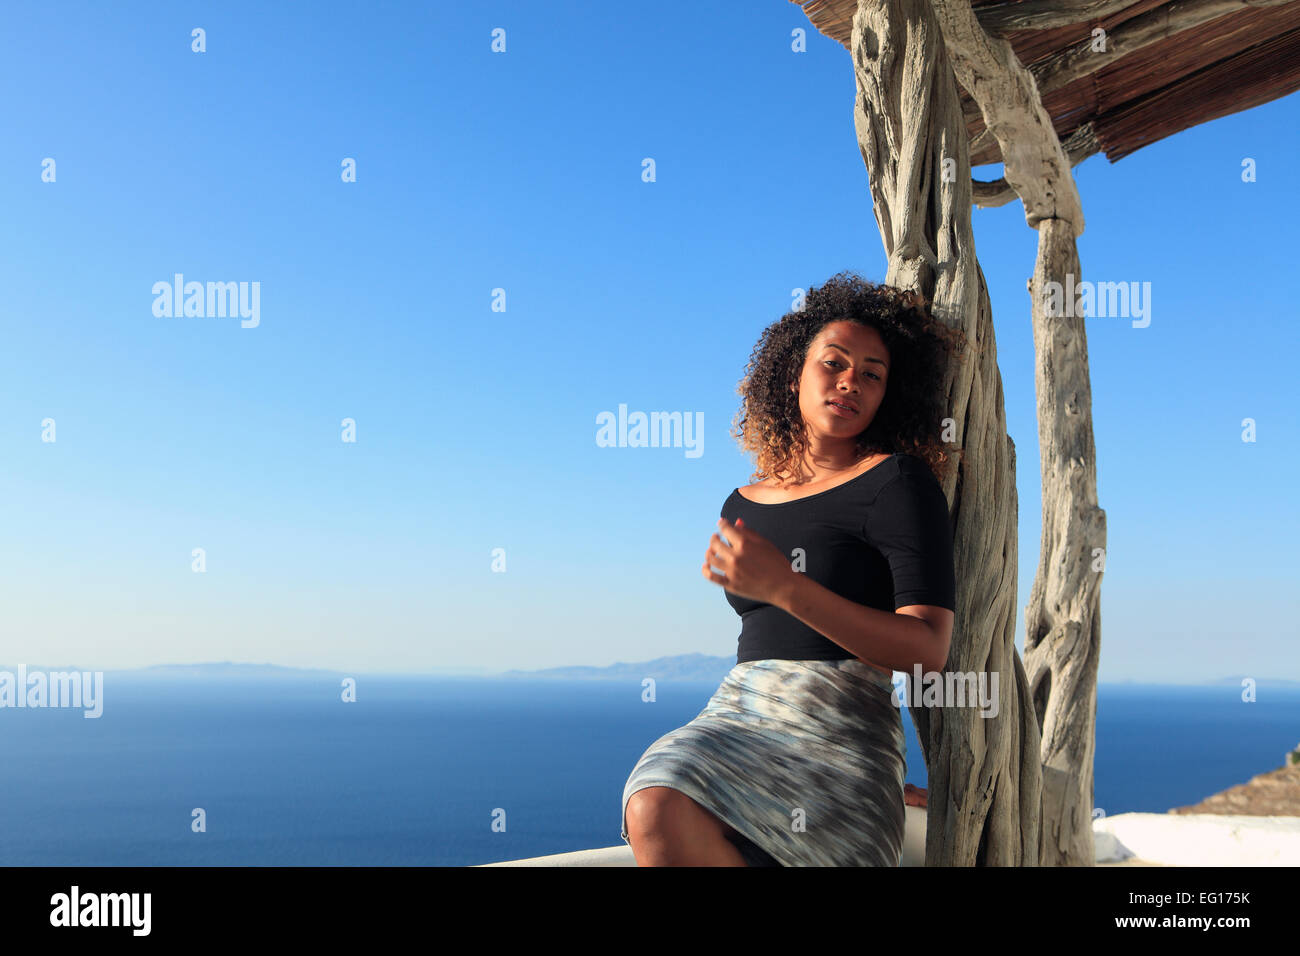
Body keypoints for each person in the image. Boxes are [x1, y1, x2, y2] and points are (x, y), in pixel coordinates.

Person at [619, 271, 966, 866]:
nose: (850, 381)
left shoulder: (898, 483)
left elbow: (928, 648)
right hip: (740, 716)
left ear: (888, 395)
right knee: (654, 801)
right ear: (793, 375)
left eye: (872, 375)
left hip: (842, 731)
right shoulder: (743, 503)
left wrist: (785, 586)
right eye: (833, 364)